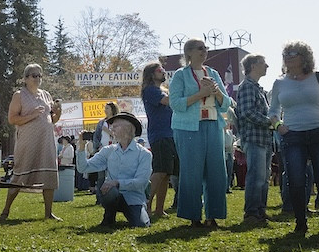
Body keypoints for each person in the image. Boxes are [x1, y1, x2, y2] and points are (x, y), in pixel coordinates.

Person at [268, 40, 319, 236]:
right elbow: (273, 111)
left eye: (292, 53)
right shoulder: (279, 83)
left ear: (304, 57)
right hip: (292, 135)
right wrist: (279, 126)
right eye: (285, 54)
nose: (287, 57)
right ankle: (300, 223)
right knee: (295, 180)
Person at [169, 38, 231, 228]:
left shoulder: (213, 73)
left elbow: (226, 104)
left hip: (213, 125)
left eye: (206, 48)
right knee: (191, 172)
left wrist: (216, 92)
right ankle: (193, 216)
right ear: (189, 52)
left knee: (217, 172)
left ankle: (213, 216)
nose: (204, 51)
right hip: (188, 128)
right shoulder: (180, 75)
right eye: (200, 48)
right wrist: (200, 94)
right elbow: (175, 103)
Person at [0, 63, 62, 221]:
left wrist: (58, 113)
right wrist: (32, 115)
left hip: (46, 142)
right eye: (34, 75)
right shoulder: (19, 95)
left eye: (39, 75)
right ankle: (5, 211)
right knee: (19, 176)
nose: (37, 78)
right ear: (25, 78)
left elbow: (52, 120)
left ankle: (48, 213)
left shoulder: (46, 95)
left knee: (49, 177)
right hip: (27, 142)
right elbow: (12, 119)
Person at [83, 112, 152, 227]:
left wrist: (117, 183)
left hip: (134, 198)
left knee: (142, 224)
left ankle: (135, 211)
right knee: (111, 191)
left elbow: (141, 182)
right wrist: (81, 149)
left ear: (128, 129)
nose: (112, 129)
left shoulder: (144, 154)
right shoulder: (108, 150)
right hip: (112, 193)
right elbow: (84, 167)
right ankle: (109, 215)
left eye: (115, 126)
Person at [234, 54, 274, 226]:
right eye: (263, 63)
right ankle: (251, 213)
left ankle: (260, 211)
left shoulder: (257, 88)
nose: (267, 66)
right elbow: (246, 112)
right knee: (256, 177)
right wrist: (269, 122)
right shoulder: (247, 87)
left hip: (263, 138)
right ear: (252, 66)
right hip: (254, 138)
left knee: (263, 178)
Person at [141, 62, 176, 217]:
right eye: (159, 70)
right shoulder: (150, 90)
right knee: (160, 171)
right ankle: (146, 204)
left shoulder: (161, 91)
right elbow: (167, 101)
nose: (163, 72)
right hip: (160, 135)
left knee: (167, 173)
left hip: (169, 134)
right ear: (151, 74)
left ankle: (159, 209)